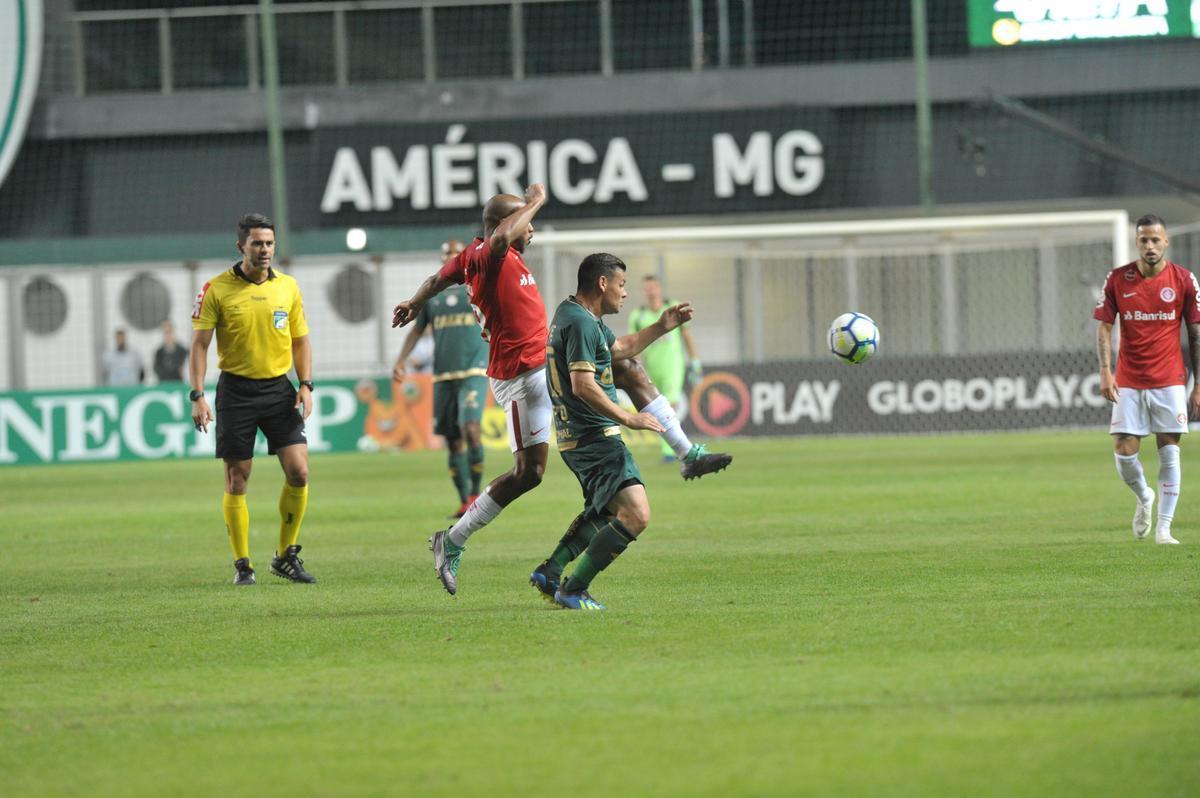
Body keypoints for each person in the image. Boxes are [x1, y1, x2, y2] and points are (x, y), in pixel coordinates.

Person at [393, 185, 731, 596]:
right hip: (520, 376)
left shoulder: (487, 257)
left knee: (625, 367)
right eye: (526, 222)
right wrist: (537, 199)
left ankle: (685, 453)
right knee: (529, 472)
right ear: (505, 225)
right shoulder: (488, 254)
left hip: (541, 365)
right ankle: (454, 540)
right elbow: (498, 237)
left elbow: (435, 278)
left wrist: (414, 302)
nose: (531, 229)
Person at [532, 253, 691, 610]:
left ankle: (552, 569)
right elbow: (583, 385)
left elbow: (621, 348)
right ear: (602, 283)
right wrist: (628, 417)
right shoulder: (582, 323)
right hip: (593, 434)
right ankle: (573, 589)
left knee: (606, 509)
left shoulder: (574, 314)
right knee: (636, 514)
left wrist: (662, 326)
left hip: (577, 436)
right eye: (621, 285)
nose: (624, 293)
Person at [190, 213, 317, 585]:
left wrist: (306, 383)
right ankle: (243, 565)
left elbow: (301, 340)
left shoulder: (288, 287)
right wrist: (197, 394)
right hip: (236, 391)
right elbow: (199, 346)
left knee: (300, 470)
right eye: (257, 244)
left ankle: (285, 555)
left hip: (279, 389)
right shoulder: (216, 289)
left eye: (270, 243)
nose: (265, 250)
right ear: (241, 246)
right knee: (237, 478)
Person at [1094, 213, 1200, 546]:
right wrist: (1105, 370)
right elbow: (1105, 326)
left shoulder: (1183, 280)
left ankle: (1165, 529)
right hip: (1129, 379)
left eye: (1156, 239)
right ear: (1136, 242)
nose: (1150, 245)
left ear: (1166, 242)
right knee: (1124, 451)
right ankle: (1144, 497)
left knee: (1169, 451)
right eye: (1144, 240)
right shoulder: (1117, 279)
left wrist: (1198, 384)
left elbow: (1195, 333)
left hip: (1169, 379)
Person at [393, 239, 489, 517]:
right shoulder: (432, 295)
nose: (451, 257)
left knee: (471, 428)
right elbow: (416, 330)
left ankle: (475, 495)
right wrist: (401, 361)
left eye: (455, 254)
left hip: (473, 370)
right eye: (446, 254)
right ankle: (463, 501)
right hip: (443, 374)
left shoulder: (476, 288)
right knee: (453, 438)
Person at [628, 275, 702, 462]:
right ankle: (673, 447)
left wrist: (695, 362)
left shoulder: (673, 307)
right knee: (656, 407)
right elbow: (633, 344)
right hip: (651, 368)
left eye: (654, 287)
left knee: (670, 404)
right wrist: (635, 368)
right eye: (647, 288)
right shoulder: (638, 316)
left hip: (673, 366)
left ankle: (669, 450)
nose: (651, 291)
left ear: (659, 288)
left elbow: (687, 335)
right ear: (643, 291)